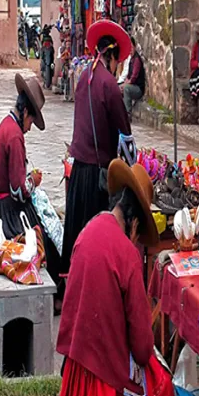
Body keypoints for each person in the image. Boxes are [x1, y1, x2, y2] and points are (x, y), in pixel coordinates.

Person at [49, 159, 173, 396]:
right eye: (137, 233)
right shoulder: (127, 255)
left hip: (76, 362)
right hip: (105, 372)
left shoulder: (89, 230)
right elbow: (144, 348)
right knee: (163, 388)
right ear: (133, 223)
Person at [63, 19, 133, 277]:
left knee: (76, 235)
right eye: (118, 63)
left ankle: (70, 282)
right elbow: (126, 137)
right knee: (94, 237)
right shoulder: (109, 86)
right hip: (97, 177)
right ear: (112, 57)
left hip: (78, 169)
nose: (118, 68)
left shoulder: (84, 77)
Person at [0, 74, 61, 274]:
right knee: (47, 238)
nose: (29, 128)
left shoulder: (6, 124)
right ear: (25, 111)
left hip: (1, 210)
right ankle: (55, 294)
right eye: (31, 121)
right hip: (10, 215)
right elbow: (18, 191)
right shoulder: (15, 135)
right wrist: (33, 181)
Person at [122, 37, 146, 115]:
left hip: (138, 89)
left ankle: (128, 113)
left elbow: (134, 77)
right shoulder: (131, 60)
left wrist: (127, 83)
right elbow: (128, 76)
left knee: (126, 88)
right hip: (132, 85)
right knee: (119, 88)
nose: (130, 50)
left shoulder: (136, 60)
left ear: (135, 47)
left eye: (131, 47)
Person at [40, 25, 55, 89]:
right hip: (49, 63)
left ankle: (46, 81)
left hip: (48, 63)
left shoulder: (45, 41)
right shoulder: (49, 40)